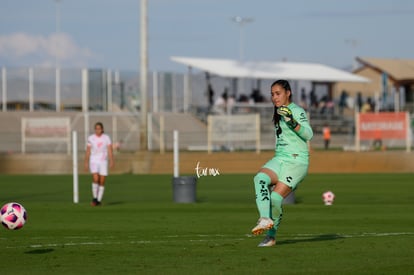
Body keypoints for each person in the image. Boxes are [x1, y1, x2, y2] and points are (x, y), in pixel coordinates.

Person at [251, 79, 313, 247]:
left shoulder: (296, 110)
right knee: (259, 179)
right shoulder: (278, 111)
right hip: (280, 158)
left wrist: (292, 120)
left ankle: (271, 237)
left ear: (288, 93)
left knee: (276, 198)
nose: (274, 97)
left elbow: (309, 134)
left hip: (296, 161)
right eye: (272, 94)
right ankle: (265, 218)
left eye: (278, 93)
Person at [84, 122, 114, 206]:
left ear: (102, 129)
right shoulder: (91, 138)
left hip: (103, 161)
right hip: (93, 160)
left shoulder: (106, 138)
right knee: (95, 179)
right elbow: (88, 151)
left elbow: (110, 150)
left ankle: (99, 200)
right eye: (96, 128)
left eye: (99, 128)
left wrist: (111, 160)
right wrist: (86, 162)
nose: (98, 130)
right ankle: (94, 198)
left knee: (102, 181)